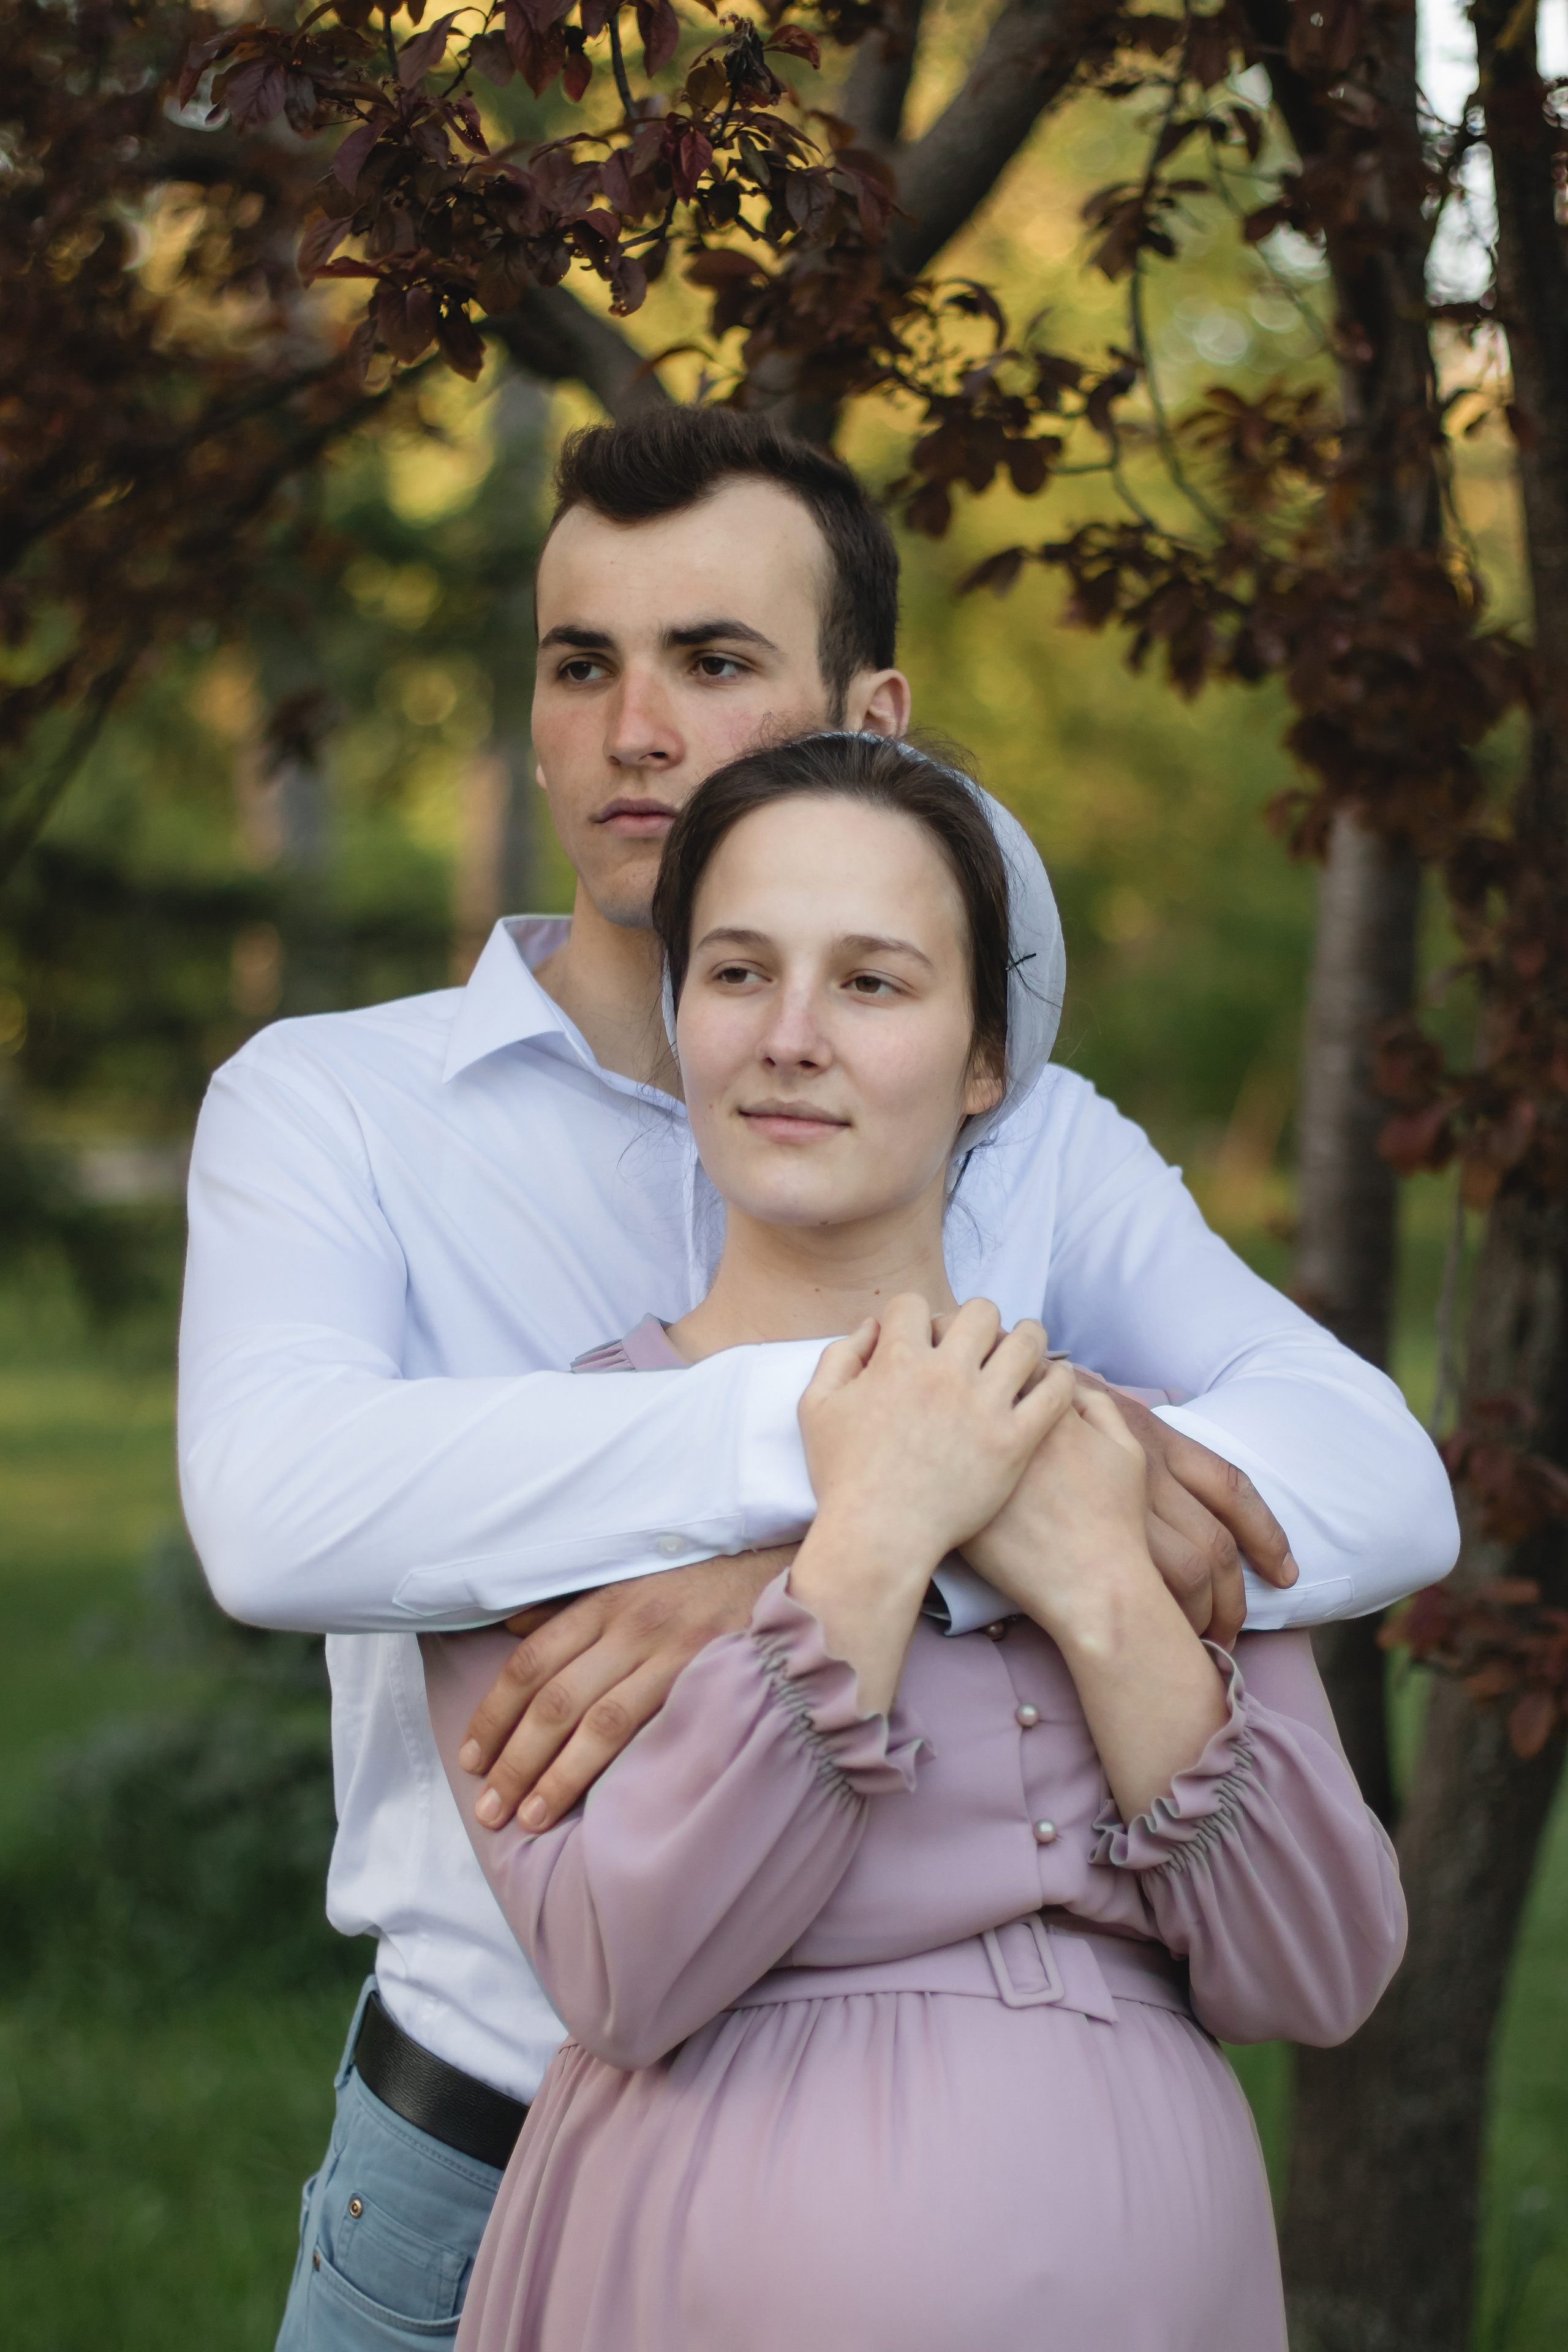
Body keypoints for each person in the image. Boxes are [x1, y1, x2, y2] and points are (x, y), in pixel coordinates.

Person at [176, 409, 1455, 2351]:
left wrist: (977, 1493)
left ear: (873, 707)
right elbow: (280, 1517)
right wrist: (856, 1470)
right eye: (580, 664)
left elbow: (1375, 1481)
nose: (635, 731)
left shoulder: (1027, 1140)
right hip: (487, 2147)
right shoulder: (339, 1106)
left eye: (713, 662)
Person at [420, 732, 1406, 2352]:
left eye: (873, 985)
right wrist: (873, 1537)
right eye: (739, 972)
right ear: (680, 1023)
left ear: (982, 1061)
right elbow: (622, 1969)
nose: (792, 1038)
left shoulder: (1133, 1458)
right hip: (701, 2277)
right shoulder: (548, 1464)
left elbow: (1321, 1968)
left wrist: (1093, 1578)